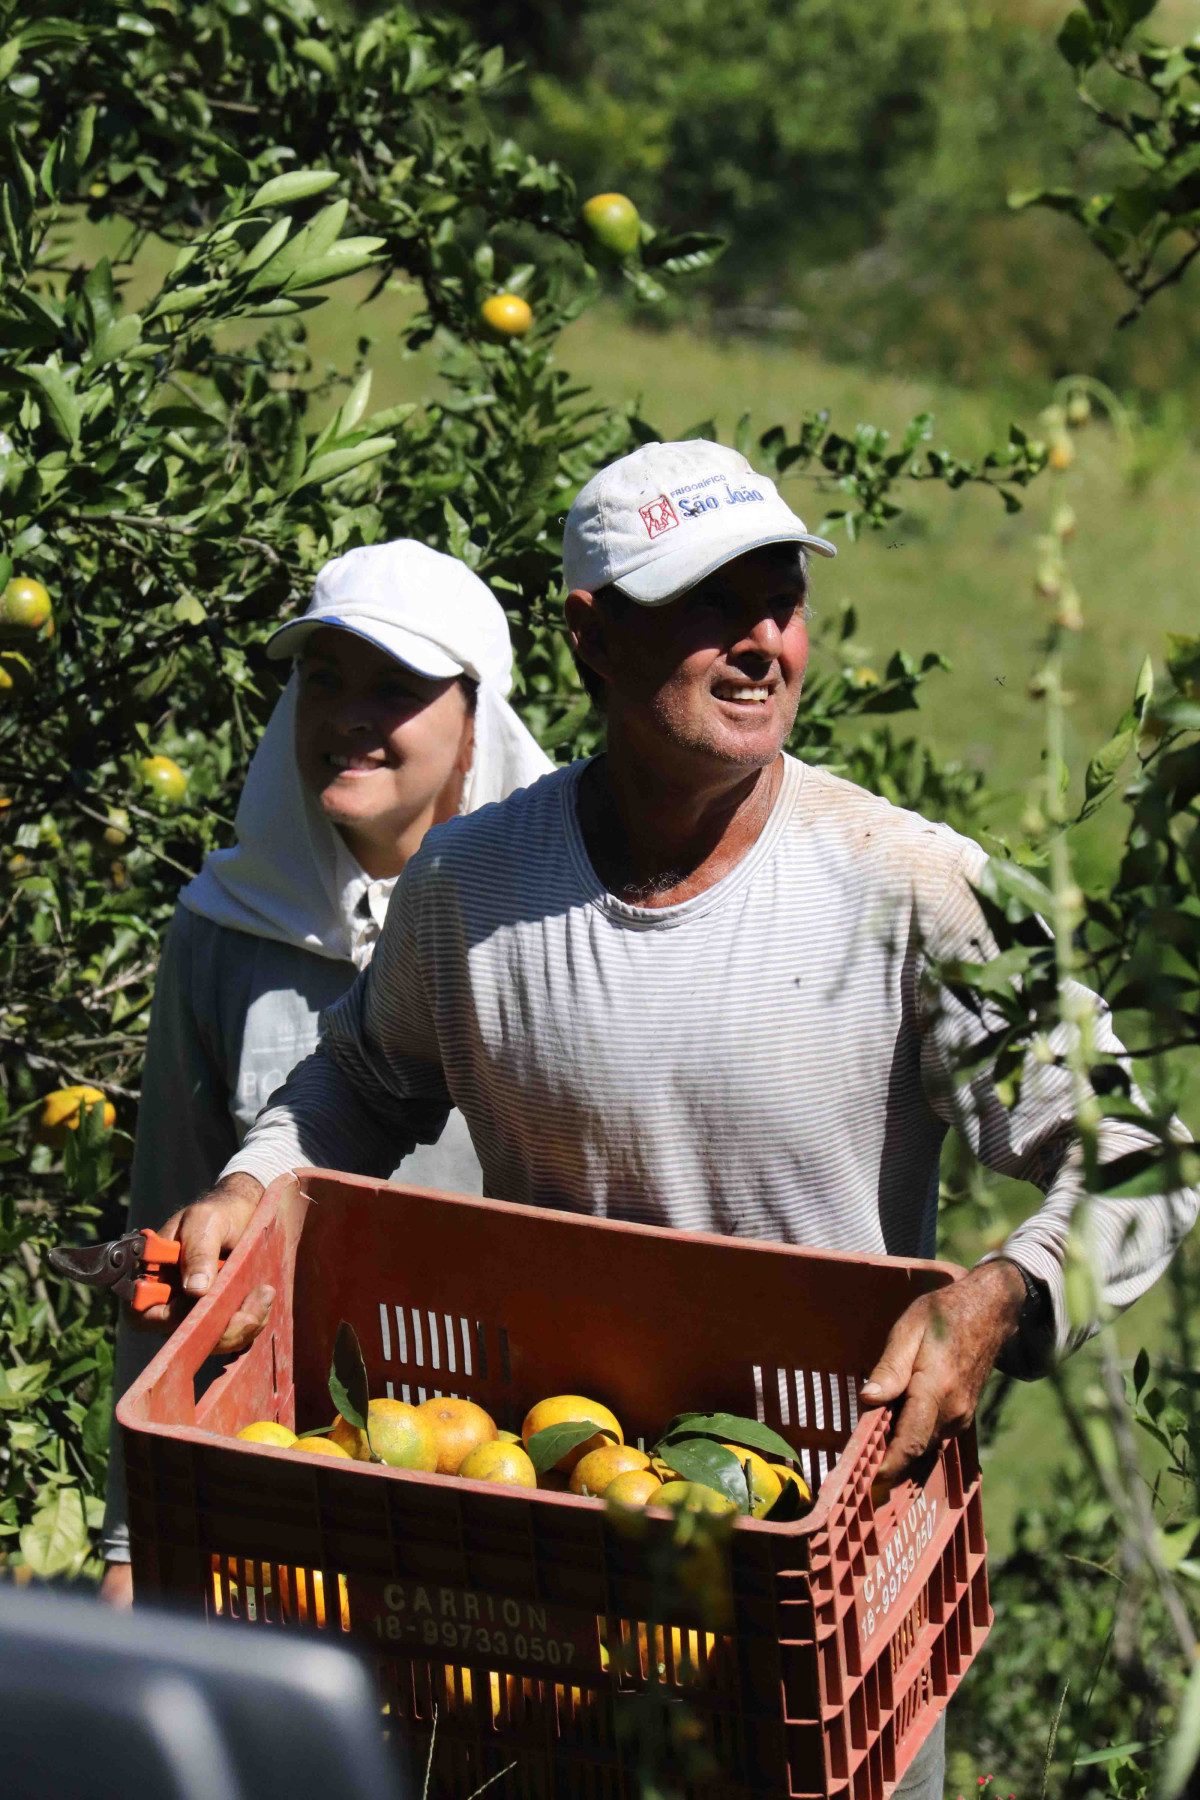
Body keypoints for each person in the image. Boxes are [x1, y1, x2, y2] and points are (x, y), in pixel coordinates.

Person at [151, 441, 1198, 1798]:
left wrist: (1004, 1292)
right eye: (710, 603)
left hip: (821, 1575)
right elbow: (362, 1079)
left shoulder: (912, 891)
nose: (762, 639)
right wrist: (258, 1185)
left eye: (781, 599)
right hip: (560, 1543)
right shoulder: (476, 888)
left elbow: (1135, 1152)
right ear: (591, 634)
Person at [98, 539, 552, 1603]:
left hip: (514, 1467)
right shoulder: (225, 932)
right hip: (285, 1463)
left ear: (475, 721)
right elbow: (166, 1251)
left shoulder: (542, 931)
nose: (349, 715)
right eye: (324, 680)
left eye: (393, 687)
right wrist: (134, 1541)